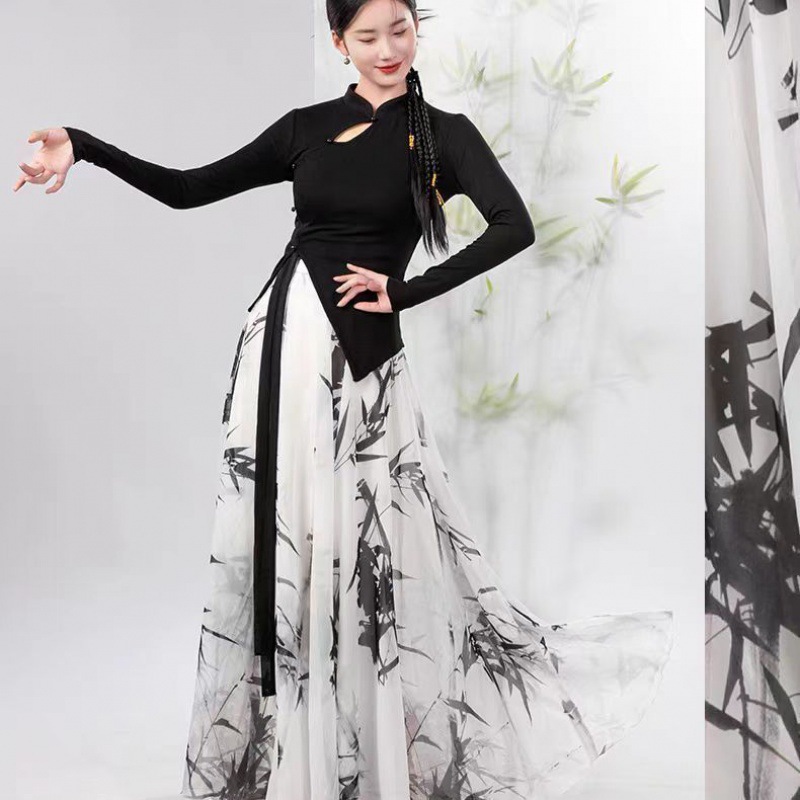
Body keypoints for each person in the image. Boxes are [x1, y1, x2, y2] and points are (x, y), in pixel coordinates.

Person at [15, 0, 674, 797]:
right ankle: (300, 762)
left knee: (366, 558)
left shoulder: (444, 135)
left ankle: (367, 764)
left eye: (400, 29)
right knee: (294, 546)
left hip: (361, 369)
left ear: (417, 28)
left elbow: (513, 226)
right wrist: (83, 147)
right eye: (367, 36)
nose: (387, 48)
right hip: (278, 354)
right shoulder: (307, 128)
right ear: (339, 42)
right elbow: (188, 189)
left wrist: (405, 291)